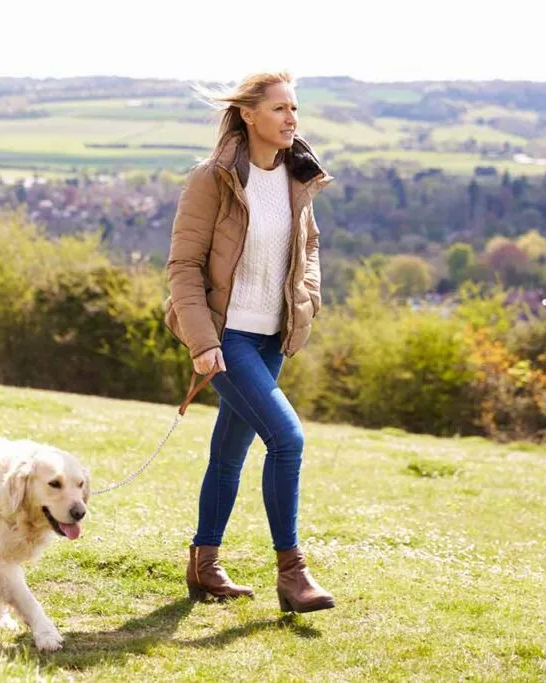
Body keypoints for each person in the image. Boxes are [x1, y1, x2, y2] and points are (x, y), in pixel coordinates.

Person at [163, 71, 335, 613]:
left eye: (295, 109)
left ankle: (203, 561)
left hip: (270, 337)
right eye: (281, 109)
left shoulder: (298, 176)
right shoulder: (211, 180)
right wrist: (202, 341)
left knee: (230, 452)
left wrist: (305, 301)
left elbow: (308, 248)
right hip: (227, 335)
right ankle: (293, 574)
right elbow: (184, 267)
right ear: (249, 115)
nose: (292, 119)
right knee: (288, 440)